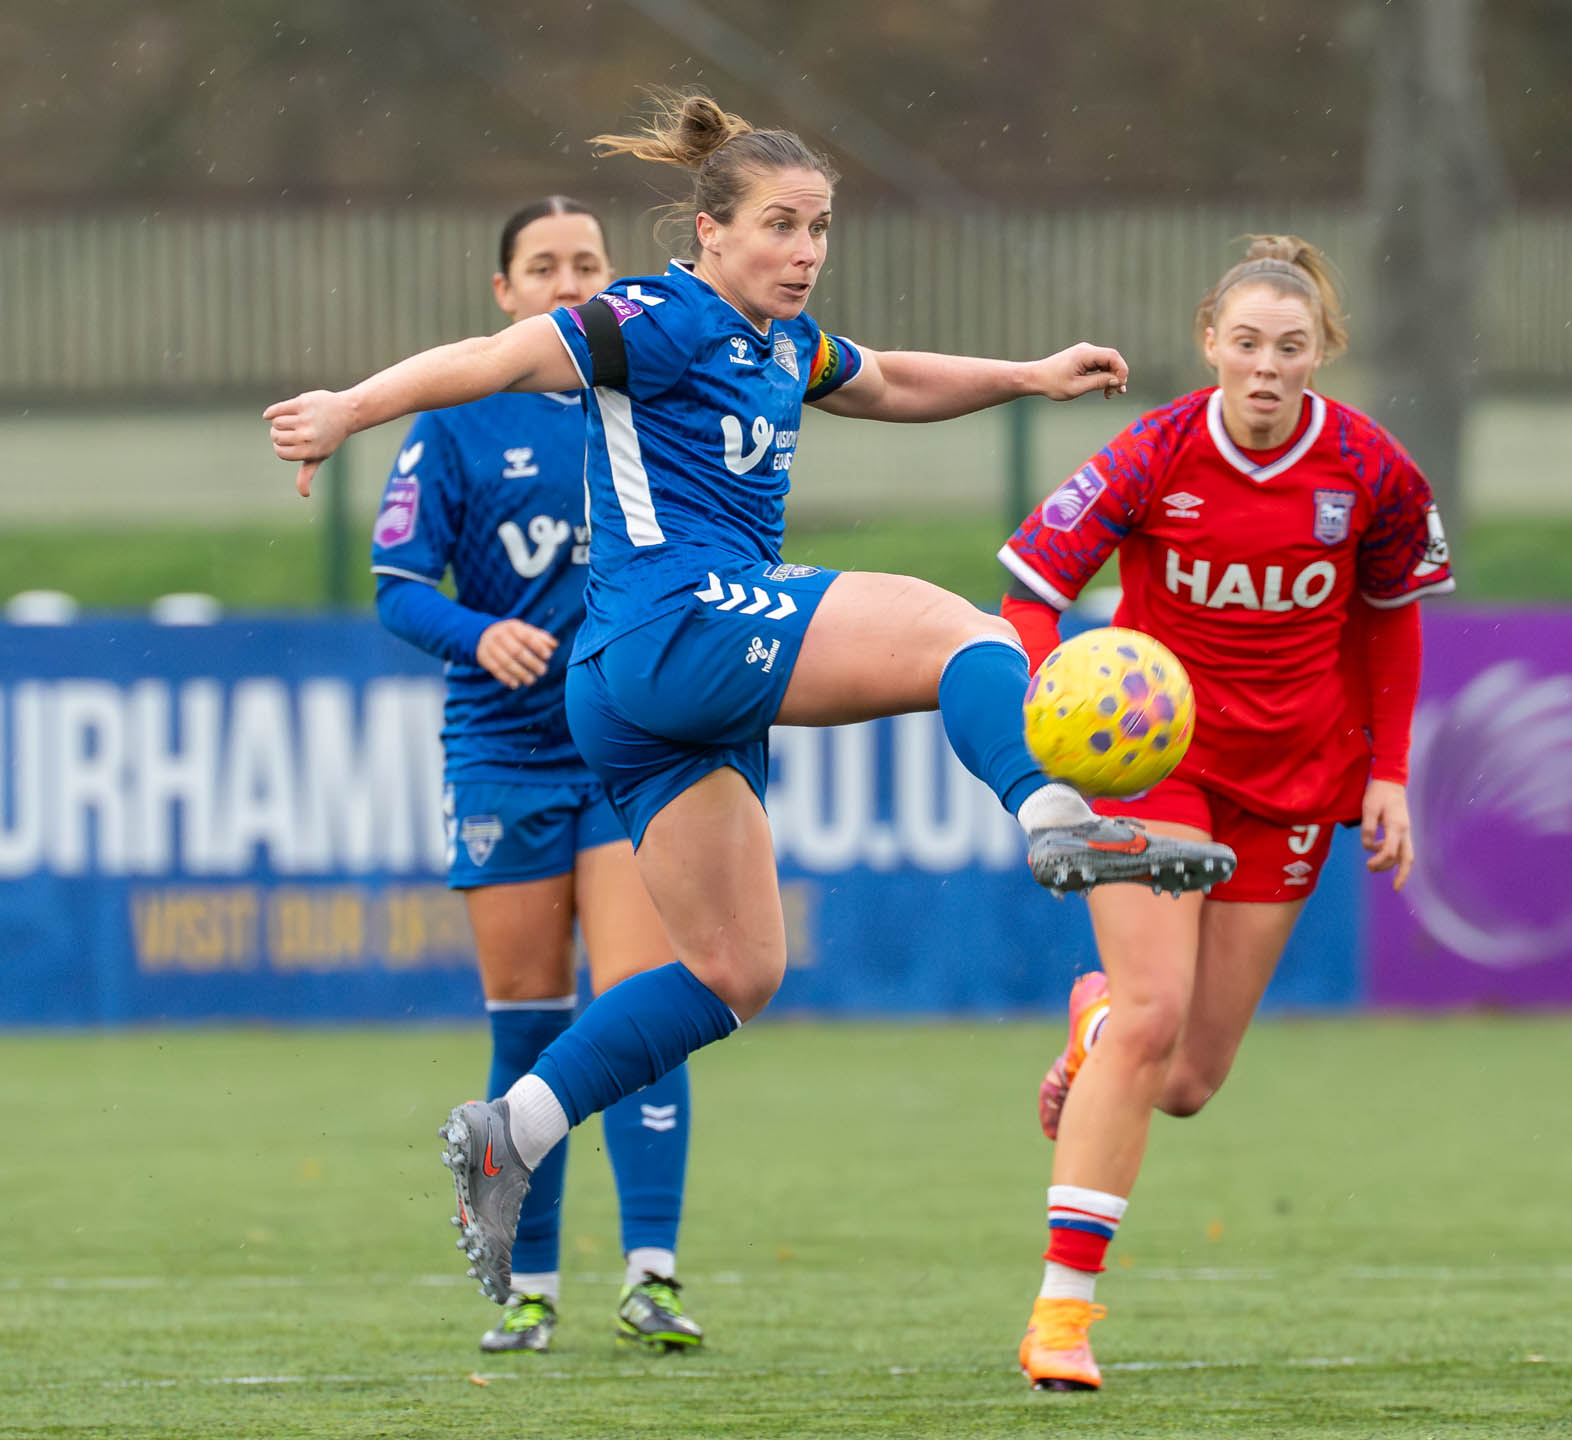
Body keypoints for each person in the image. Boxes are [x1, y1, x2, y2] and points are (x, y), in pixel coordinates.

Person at [265, 89, 1237, 1312]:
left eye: (819, 227)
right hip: (677, 623)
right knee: (966, 631)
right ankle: (1055, 817)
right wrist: (349, 409)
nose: (806, 250)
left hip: (639, 694)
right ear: (710, 231)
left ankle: (511, 1131)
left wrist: (1029, 376)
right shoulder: (658, 317)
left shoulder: (784, 340)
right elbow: (495, 358)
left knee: (735, 972)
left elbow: (889, 379)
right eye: (781, 225)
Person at [996, 235, 1454, 1390]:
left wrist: (1389, 772)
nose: (1265, 366)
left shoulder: (1373, 469)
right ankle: (1061, 1317)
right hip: (1162, 769)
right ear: (1209, 342)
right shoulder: (1155, 450)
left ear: (1320, 352)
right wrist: (1055, 704)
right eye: (1245, 343)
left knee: (1187, 1080)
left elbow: (1392, 618)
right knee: (1157, 1014)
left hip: (1295, 780)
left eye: (1288, 347)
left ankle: (1094, 1024)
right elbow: (1031, 590)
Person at [371, 196, 703, 1354]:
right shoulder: (458, 421)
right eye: (544, 266)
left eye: (588, 264)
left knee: (637, 1005)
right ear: (504, 293)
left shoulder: (652, 401)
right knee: (528, 1023)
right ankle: (530, 1284)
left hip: (625, 743)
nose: (569, 283)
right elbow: (396, 587)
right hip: (503, 753)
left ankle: (653, 1275)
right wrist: (479, 633)